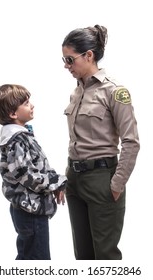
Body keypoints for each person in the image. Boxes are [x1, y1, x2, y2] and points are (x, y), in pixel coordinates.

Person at [62, 24, 140, 260]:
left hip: (101, 179)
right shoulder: (77, 92)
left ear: (88, 55)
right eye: (63, 60)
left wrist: (116, 185)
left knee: (105, 257)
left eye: (69, 59)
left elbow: (131, 142)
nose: (66, 66)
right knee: (83, 256)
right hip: (74, 179)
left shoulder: (114, 91)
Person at [0, 84, 67, 260]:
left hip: (29, 208)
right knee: (36, 259)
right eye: (26, 103)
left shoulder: (22, 137)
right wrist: (58, 181)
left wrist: (54, 182)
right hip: (30, 211)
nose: (32, 105)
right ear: (13, 114)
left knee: (29, 255)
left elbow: (39, 166)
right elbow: (27, 176)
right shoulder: (16, 141)